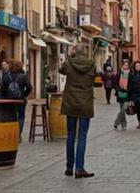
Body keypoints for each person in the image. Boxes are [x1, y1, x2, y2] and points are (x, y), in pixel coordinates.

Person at [60, 44, 96, 179]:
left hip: (71, 103)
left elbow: (61, 69)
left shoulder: (69, 62)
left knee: (70, 135)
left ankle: (69, 167)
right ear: (85, 52)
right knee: (82, 135)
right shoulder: (92, 64)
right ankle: (79, 169)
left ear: (75, 51)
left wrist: (70, 56)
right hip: (85, 104)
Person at [0, 60, 33, 138]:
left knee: (10, 116)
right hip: (20, 99)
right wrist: (24, 94)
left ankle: (11, 134)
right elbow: (29, 87)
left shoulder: (6, 77)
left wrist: (6, 96)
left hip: (9, 100)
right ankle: (18, 135)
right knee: (21, 116)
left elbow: (2, 89)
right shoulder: (23, 76)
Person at [112, 61, 131, 131]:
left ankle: (116, 122)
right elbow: (115, 83)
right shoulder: (119, 73)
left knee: (124, 108)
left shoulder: (130, 74)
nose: (125, 66)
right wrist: (118, 90)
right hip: (120, 93)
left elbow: (131, 84)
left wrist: (127, 90)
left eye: (127, 65)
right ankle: (124, 125)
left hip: (127, 94)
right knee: (121, 109)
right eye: (124, 65)